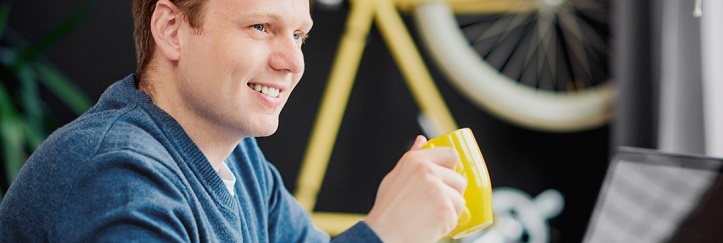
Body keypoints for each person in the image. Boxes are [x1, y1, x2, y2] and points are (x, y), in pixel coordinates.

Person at [0, 0, 467, 242]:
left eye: (300, 34)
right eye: (261, 27)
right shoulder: (116, 175)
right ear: (171, 29)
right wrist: (384, 234)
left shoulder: (242, 164)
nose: (293, 62)